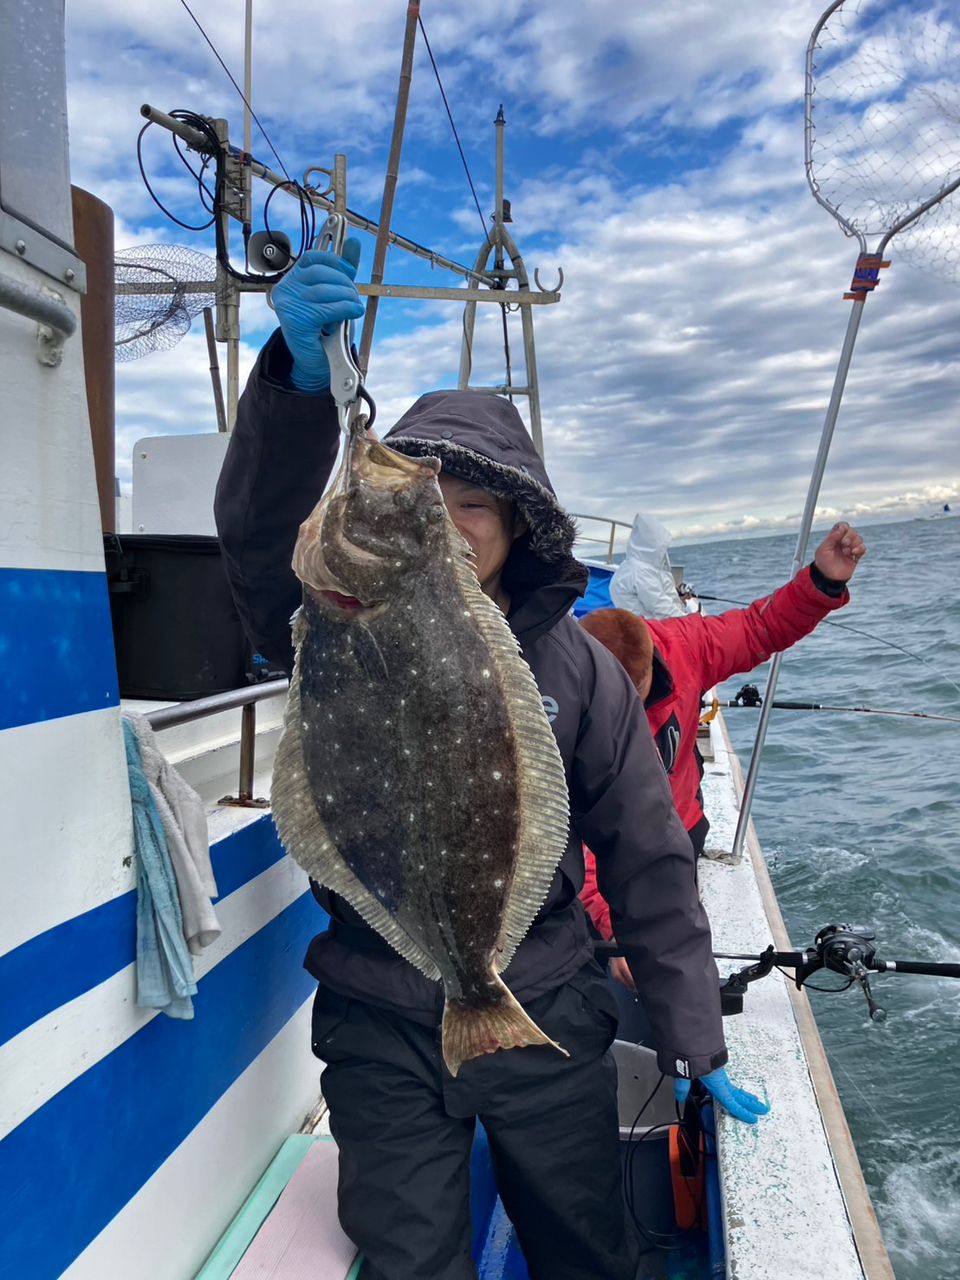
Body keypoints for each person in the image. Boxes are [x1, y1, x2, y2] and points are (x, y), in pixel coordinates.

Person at [214, 243, 767, 1280]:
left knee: (586, 1248)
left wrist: (692, 1035)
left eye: (474, 504)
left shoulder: (580, 668)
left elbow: (647, 855)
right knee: (408, 1262)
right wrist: (291, 387)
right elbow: (253, 543)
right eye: (428, 496)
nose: (448, 519)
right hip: (378, 1016)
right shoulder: (333, 613)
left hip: (544, 1005)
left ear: (517, 527)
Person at [579, 524, 866, 991]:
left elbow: (759, 627)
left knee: (676, 943)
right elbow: (576, 836)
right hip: (599, 847)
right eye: (613, 701)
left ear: (653, 662)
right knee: (598, 955)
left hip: (676, 829)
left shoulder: (685, 646)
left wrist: (822, 581)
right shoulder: (562, 704)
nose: (625, 712)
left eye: (636, 694)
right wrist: (613, 928)